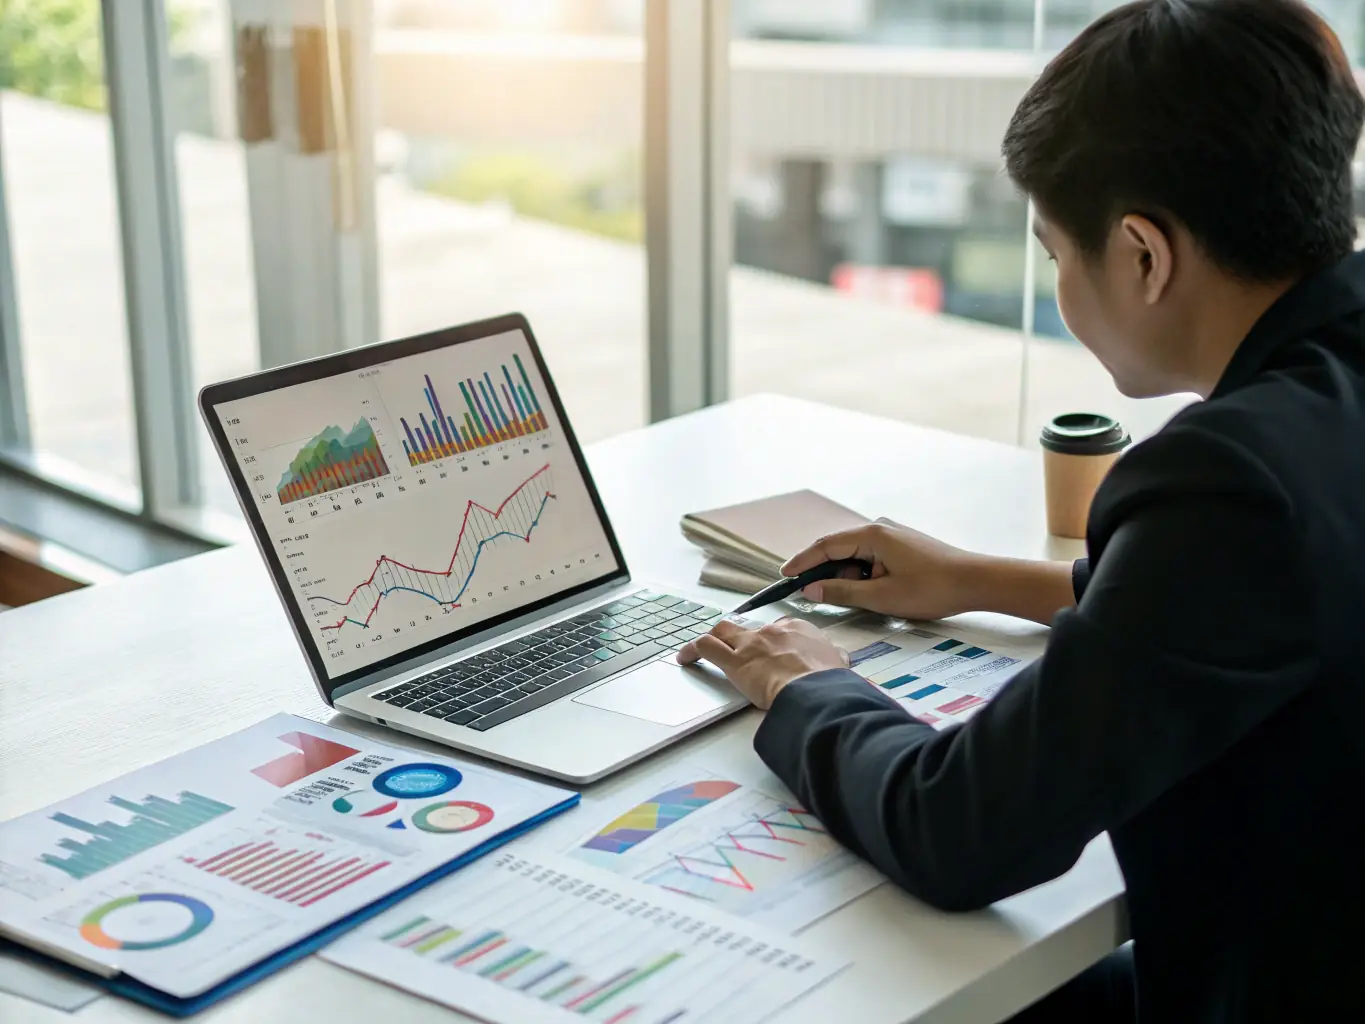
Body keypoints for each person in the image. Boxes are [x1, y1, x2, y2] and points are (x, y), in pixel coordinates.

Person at [676, 1, 1365, 1020]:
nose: (1058, 284)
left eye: (1053, 254)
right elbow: (1268, 600)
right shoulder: (1317, 418)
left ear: (1142, 253)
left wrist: (804, 684)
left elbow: (958, 830)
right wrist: (974, 579)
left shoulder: (1231, 480)